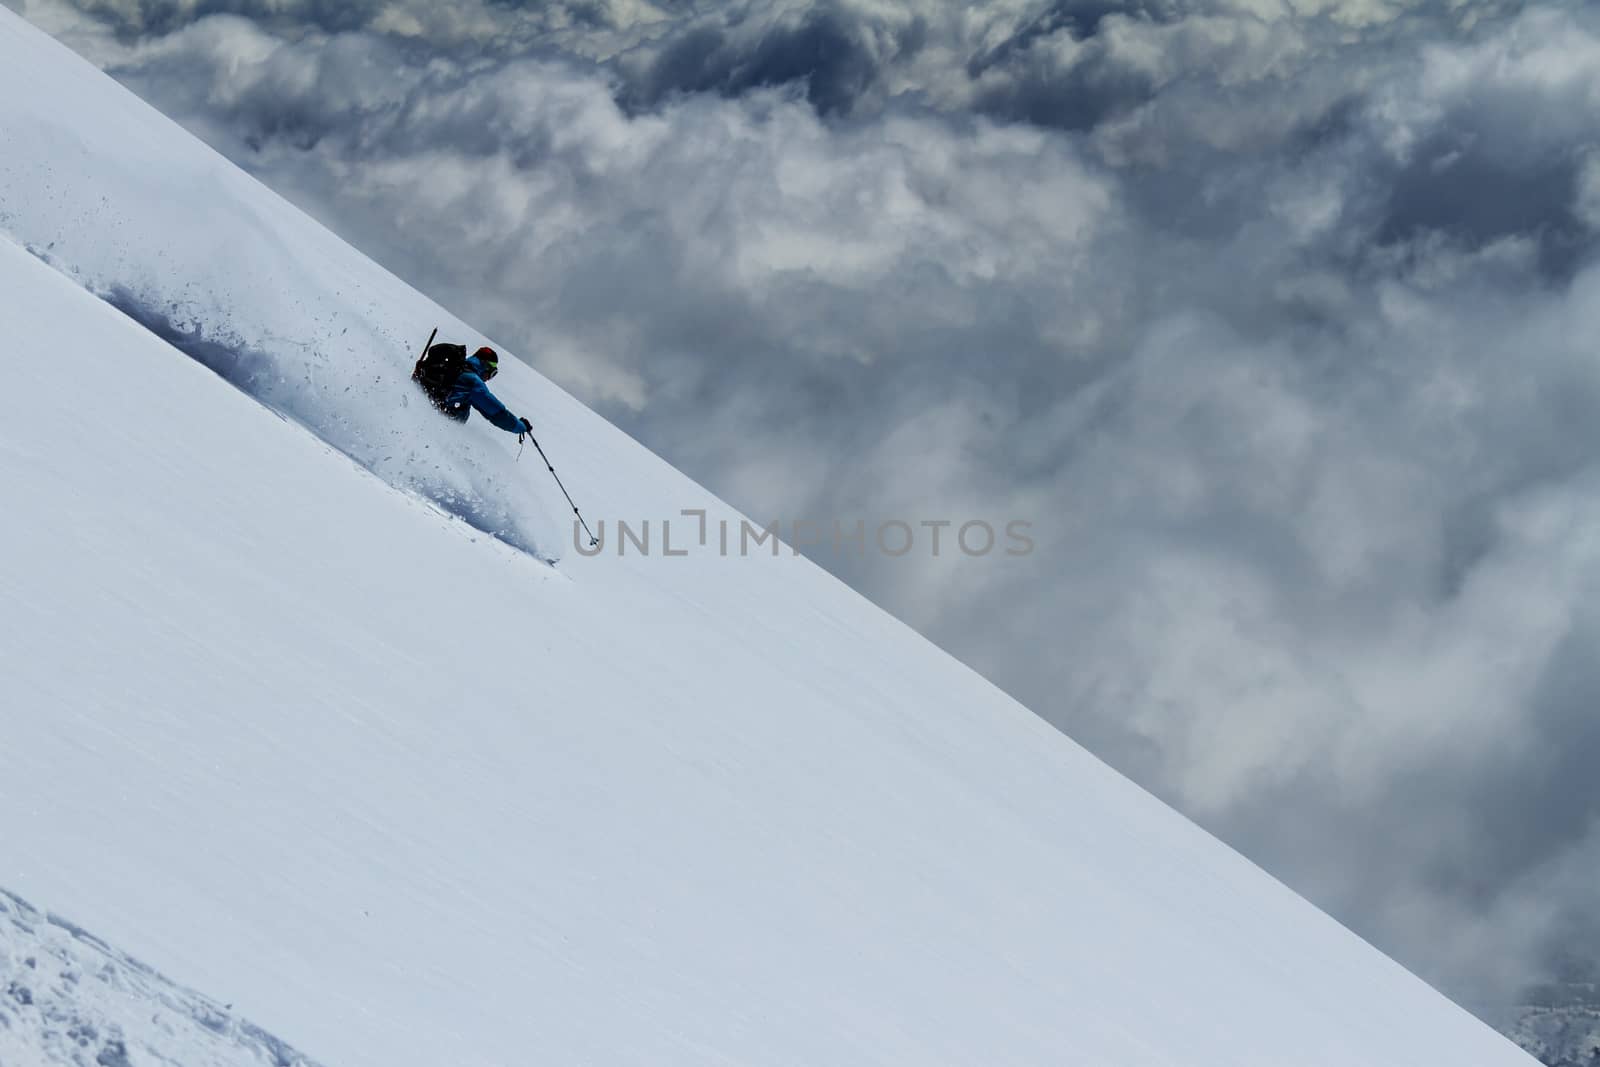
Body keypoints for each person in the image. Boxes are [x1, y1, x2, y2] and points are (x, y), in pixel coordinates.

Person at [417, 344, 533, 436]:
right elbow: (496, 413)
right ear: (486, 366)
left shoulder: (456, 369)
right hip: (442, 424)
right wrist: (520, 426)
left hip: (429, 413)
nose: (488, 379)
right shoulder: (473, 382)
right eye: (492, 373)